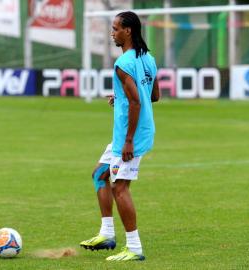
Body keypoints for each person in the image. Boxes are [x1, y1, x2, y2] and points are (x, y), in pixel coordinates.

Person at [79, 11, 160, 261]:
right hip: (130, 133)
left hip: (131, 136)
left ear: (128, 31)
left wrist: (128, 141)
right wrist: (121, 97)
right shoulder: (148, 58)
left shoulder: (123, 64)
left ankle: (134, 248)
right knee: (99, 175)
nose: (111, 32)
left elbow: (137, 102)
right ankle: (107, 234)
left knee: (120, 187)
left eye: (115, 29)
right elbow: (153, 96)